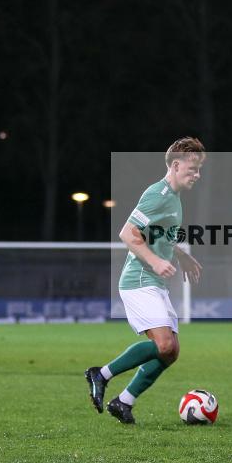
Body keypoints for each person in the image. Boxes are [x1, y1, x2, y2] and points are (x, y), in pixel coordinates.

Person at [84, 138, 205, 425]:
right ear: (176, 166)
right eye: (193, 169)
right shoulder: (158, 194)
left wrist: (180, 255)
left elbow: (157, 235)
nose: (197, 175)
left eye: (199, 169)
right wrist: (155, 261)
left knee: (171, 352)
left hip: (153, 282)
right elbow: (127, 233)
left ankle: (123, 402)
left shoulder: (174, 198)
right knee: (164, 345)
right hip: (139, 279)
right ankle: (101, 374)